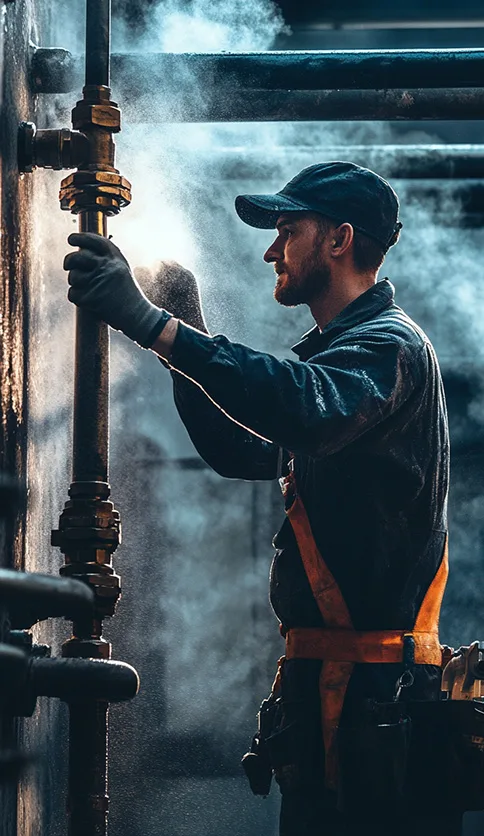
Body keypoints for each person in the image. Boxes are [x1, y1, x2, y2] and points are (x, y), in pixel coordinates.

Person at [64, 162, 456, 836]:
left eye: (286, 230)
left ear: (339, 239)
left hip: (377, 709)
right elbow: (242, 449)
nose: (272, 250)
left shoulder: (385, 348)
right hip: (346, 704)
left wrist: (155, 325)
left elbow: (302, 407)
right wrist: (178, 321)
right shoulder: (346, 360)